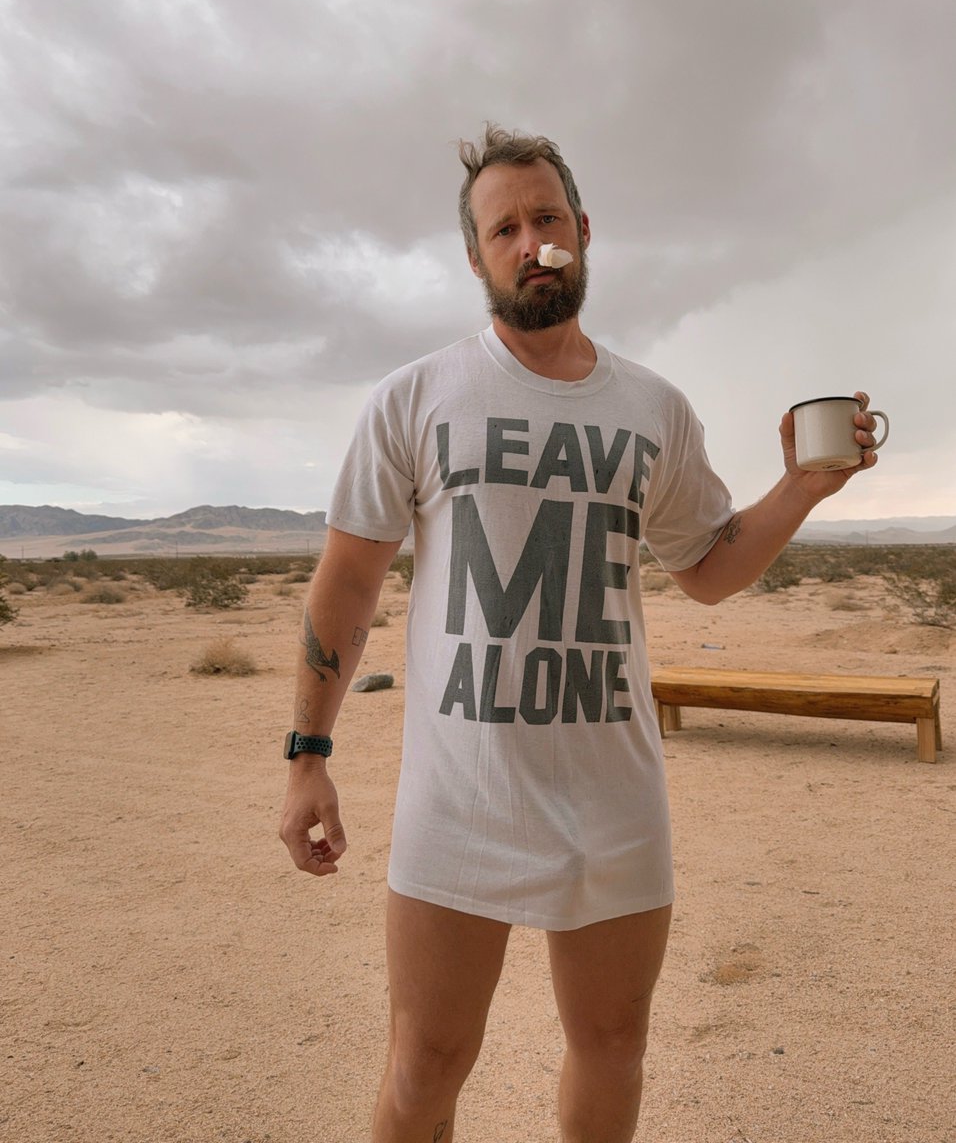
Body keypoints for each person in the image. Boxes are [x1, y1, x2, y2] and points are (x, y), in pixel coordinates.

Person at [279, 125, 880, 1143]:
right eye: (503, 228)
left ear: (584, 231)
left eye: (546, 218)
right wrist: (307, 755)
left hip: (613, 796)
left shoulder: (652, 407)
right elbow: (347, 584)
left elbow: (707, 567)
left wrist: (801, 488)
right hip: (459, 797)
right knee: (425, 1065)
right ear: (477, 257)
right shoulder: (415, 397)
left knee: (612, 1046)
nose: (531, 243)